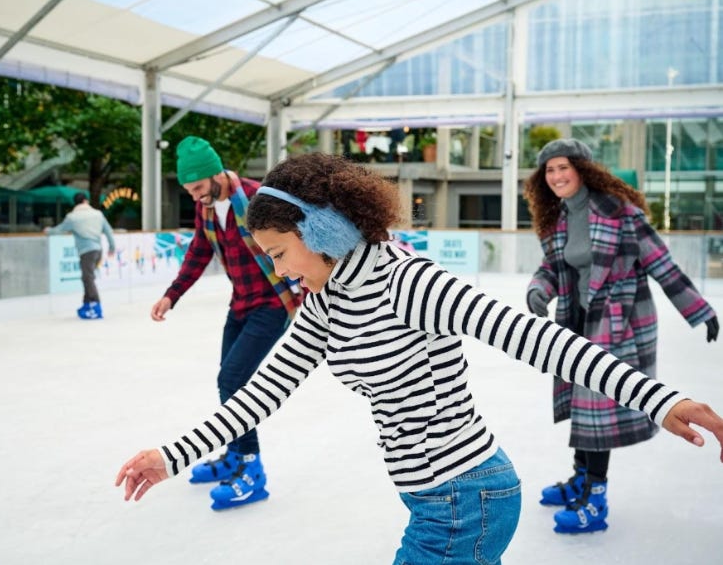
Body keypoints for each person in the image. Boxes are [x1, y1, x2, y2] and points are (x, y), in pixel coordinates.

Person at [116, 153, 723, 564]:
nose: (278, 270)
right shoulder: (326, 299)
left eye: (279, 252)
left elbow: (543, 341)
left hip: (465, 500)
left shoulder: (411, 283)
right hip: (438, 498)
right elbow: (261, 391)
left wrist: (660, 398)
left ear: (322, 234)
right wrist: (170, 457)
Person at [522, 137, 719, 534]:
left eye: (564, 167)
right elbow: (552, 267)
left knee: (596, 408)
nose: (557, 176)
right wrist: (538, 290)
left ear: (583, 169)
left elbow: (663, 265)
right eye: (550, 170)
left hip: (617, 326)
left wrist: (701, 312)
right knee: (582, 405)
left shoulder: (621, 214)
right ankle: (581, 478)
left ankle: (595, 498)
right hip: (576, 321)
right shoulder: (560, 217)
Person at [149, 136, 301, 511]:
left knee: (233, 379)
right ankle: (234, 454)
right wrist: (172, 294)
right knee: (227, 378)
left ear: (216, 173)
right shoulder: (206, 210)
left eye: (198, 187)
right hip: (242, 303)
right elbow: (199, 253)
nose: (194, 195)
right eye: (188, 190)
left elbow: (294, 240)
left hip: (273, 302)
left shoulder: (255, 199)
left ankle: (252, 470)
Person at [45, 192, 116, 319]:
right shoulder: (97, 214)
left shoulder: (73, 217)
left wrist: (47, 231)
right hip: (98, 250)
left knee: (88, 278)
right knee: (87, 278)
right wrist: (112, 247)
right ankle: (87, 304)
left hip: (86, 251)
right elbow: (108, 230)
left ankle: (96, 305)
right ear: (86, 201)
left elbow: (59, 230)